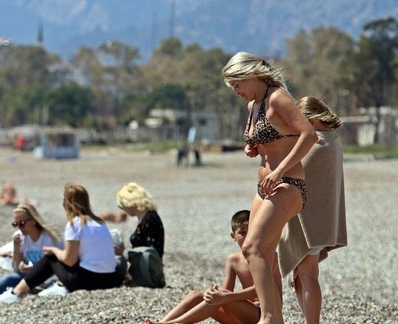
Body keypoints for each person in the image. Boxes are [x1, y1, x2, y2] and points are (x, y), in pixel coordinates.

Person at [222, 51, 317, 323]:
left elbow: (308, 135)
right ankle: (277, 319)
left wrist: (279, 170)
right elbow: (268, 138)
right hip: (264, 185)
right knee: (264, 255)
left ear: (250, 75)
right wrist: (254, 146)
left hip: (288, 183)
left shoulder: (277, 97)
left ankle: (269, 317)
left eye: (237, 84)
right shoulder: (254, 106)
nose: (236, 91)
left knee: (252, 246)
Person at [278, 96, 347, 324]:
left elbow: (297, 173)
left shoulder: (318, 143)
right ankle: (309, 319)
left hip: (310, 221)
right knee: (303, 276)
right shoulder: (332, 141)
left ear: (314, 119)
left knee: (308, 275)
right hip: (316, 219)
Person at [0, 182, 121, 303]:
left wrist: (54, 250)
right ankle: (58, 286)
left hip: (88, 282)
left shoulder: (75, 224)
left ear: (67, 204)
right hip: (110, 279)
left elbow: (69, 260)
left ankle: (16, 293)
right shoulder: (100, 223)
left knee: (51, 257)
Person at [145, 210, 275, 324]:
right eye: (242, 232)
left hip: (260, 314)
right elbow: (226, 291)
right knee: (196, 295)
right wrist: (215, 294)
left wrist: (224, 296)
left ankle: (172, 322)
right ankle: (164, 321)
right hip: (238, 315)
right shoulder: (233, 260)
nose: (247, 236)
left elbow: (262, 289)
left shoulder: (267, 255)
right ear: (233, 236)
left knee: (221, 295)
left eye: (251, 231)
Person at [115, 182, 165, 287]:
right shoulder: (145, 217)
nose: (122, 209)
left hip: (149, 273)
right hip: (144, 270)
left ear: (130, 203)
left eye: (122, 205)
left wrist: (125, 252)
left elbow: (152, 252)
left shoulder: (150, 219)